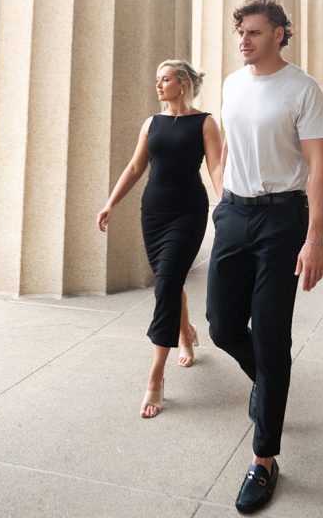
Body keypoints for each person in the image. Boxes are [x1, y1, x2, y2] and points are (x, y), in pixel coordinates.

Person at [206, 0, 323, 514]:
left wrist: (315, 239)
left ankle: (264, 458)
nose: (243, 40)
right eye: (240, 32)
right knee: (222, 326)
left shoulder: (303, 89)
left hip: (283, 221)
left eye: (254, 32)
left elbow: (319, 168)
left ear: (279, 34)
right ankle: (265, 380)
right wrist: (223, 200)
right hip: (234, 216)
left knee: (272, 334)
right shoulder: (232, 84)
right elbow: (229, 148)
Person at [97, 59, 223, 418]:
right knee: (170, 281)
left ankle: (155, 377)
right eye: (157, 79)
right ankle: (186, 331)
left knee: (166, 283)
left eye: (165, 79)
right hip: (153, 214)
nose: (158, 85)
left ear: (182, 84)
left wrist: (227, 205)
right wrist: (110, 203)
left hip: (188, 213)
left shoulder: (205, 122)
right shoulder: (152, 123)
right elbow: (136, 167)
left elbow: (216, 166)